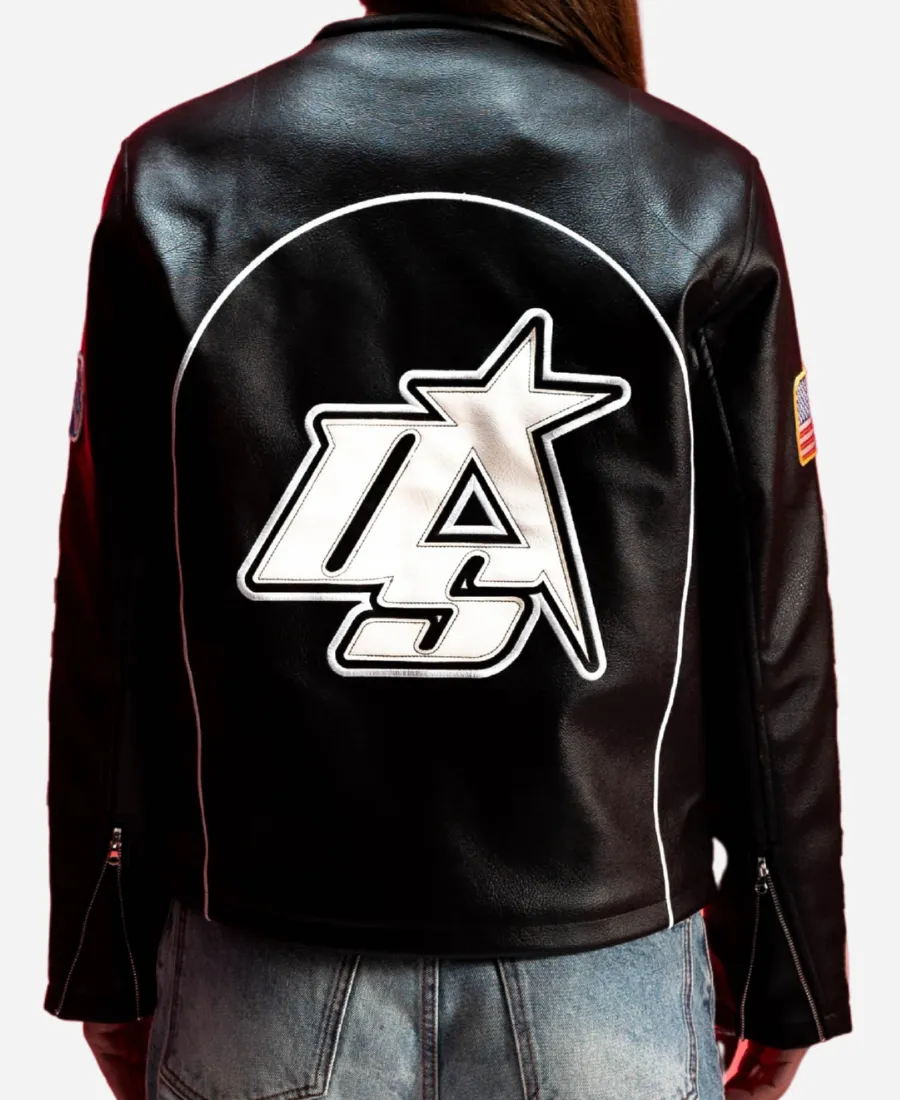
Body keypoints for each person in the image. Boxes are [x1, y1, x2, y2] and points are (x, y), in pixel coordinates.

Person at [45, 3, 851, 1098]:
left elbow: (111, 612)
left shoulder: (179, 179)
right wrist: (785, 969)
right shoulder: (696, 191)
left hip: (260, 967)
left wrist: (101, 951)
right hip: (602, 981)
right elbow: (770, 628)